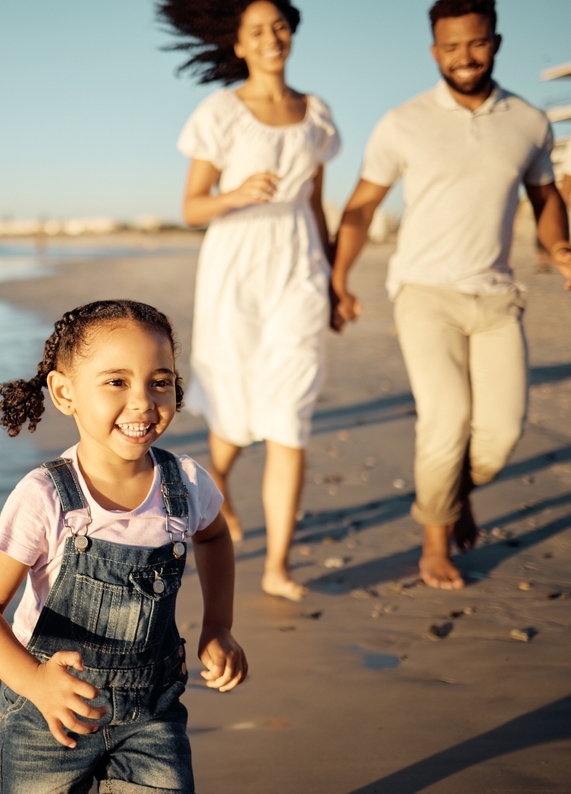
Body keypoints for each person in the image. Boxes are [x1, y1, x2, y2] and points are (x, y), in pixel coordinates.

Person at [330, 0, 571, 589]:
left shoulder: (528, 121)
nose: (465, 57)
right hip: (424, 292)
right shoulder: (403, 121)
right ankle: (433, 542)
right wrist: (339, 279)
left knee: (501, 435)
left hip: (496, 295)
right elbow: (361, 206)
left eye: (477, 43)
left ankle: (453, 495)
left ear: (496, 42)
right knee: (447, 419)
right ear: (434, 50)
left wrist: (560, 245)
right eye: (451, 46)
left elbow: (545, 197)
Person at [0, 300, 247, 793]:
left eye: (160, 382)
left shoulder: (185, 483)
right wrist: (33, 683)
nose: (143, 402)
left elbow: (215, 535)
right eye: (117, 381)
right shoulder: (46, 496)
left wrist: (219, 626)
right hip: (49, 717)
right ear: (64, 392)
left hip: (152, 713)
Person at [161, 0, 340, 600]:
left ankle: (277, 566)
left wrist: (335, 279)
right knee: (233, 405)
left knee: (290, 413)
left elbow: (316, 203)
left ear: (292, 32)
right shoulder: (221, 111)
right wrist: (235, 193)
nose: (272, 37)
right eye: (258, 30)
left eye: (280, 26)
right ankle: (219, 486)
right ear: (238, 43)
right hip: (235, 267)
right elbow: (192, 207)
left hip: (299, 263)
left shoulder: (316, 114)